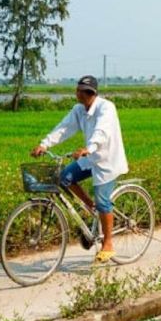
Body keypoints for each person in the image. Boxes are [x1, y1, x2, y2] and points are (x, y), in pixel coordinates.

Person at [31, 76, 128, 264]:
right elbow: (64, 128)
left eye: (81, 90)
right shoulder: (78, 110)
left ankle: (108, 243)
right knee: (64, 177)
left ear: (91, 93)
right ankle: (92, 208)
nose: (78, 93)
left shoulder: (106, 108)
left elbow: (102, 132)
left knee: (103, 201)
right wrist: (44, 145)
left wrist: (88, 148)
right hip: (89, 158)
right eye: (78, 90)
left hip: (107, 160)